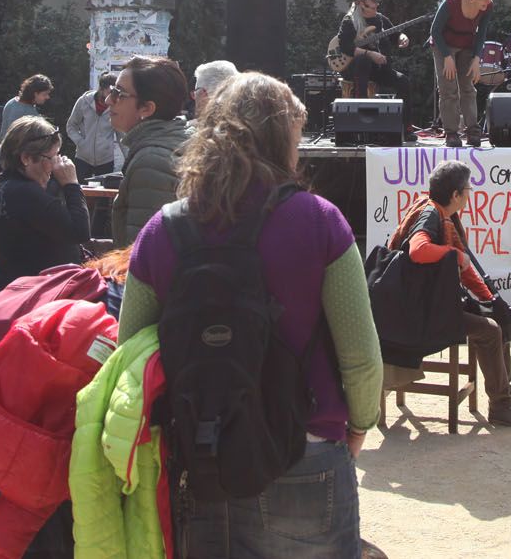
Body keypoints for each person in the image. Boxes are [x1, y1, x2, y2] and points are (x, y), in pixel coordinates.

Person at [118, 72, 383, 557]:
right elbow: (361, 353)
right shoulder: (320, 221)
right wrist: (359, 424)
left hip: (199, 450)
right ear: (282, 138)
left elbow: (130, 354)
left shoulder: (161, 230)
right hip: (304, 442)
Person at [394, 160, 511, 429]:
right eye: (468, 189)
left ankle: (505, 392)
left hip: (433, 304)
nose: (470, 194)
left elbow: (464, 269)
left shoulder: (444, 215)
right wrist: (454, 255)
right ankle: (500, 406)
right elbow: (418, 250)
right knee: (490, 331)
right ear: (456, 195)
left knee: (499, 321)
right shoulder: (431, 215)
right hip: (421, 313)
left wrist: (490, 299)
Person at [0, 116, 89, 290]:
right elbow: (80, 231)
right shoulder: (25, 193)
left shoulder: (0, 183)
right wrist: (71, 184)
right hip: (36, 297)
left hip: (13, 289)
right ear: (26, 158)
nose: (55, 165)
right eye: (52, 157)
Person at [108, 55, 191, 246]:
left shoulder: (150, 162)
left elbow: (142, 256)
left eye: (118, 94)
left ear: (146, 108)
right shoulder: (180, 138)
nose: (108, 100)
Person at [430, 0, 495, 147]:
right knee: (448, 89)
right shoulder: (451, 3)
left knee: (468, 87)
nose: (488, 0)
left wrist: (476, 58)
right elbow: (435, 31)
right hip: (443, 44)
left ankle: (472, 130)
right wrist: (447, 57)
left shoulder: (487, 6)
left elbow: (481, 33)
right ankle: (451, 132)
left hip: (467, 45)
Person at [337, 0, 411, 102]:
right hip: (354, 69)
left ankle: (403, 119)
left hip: (378, 70)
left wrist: (402, 37)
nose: (377, 4)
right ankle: (362, 107)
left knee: (403, 81)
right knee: (363, 60)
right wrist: (370, 54)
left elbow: (395, 35)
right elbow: (345, 47)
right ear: (362, 4)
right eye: (373, 2)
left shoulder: (381, 19)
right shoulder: (349, 21)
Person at [65, 72, 119, 181]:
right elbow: (71, 126)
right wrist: (81, 143)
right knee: (81, 193)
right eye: (110, 92)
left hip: (106, 159)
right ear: (102, 89)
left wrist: (129, 159)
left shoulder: (116, 105)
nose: (112, 96)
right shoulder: (84, 101)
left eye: (115, 92)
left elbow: (121, 134)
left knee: (104, 196)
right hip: (83, 158)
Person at [0, 73, 52, 140]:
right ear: (35, 94)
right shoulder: (27, 113)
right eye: (44, 94)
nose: (47, 97)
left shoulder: (12, 102)